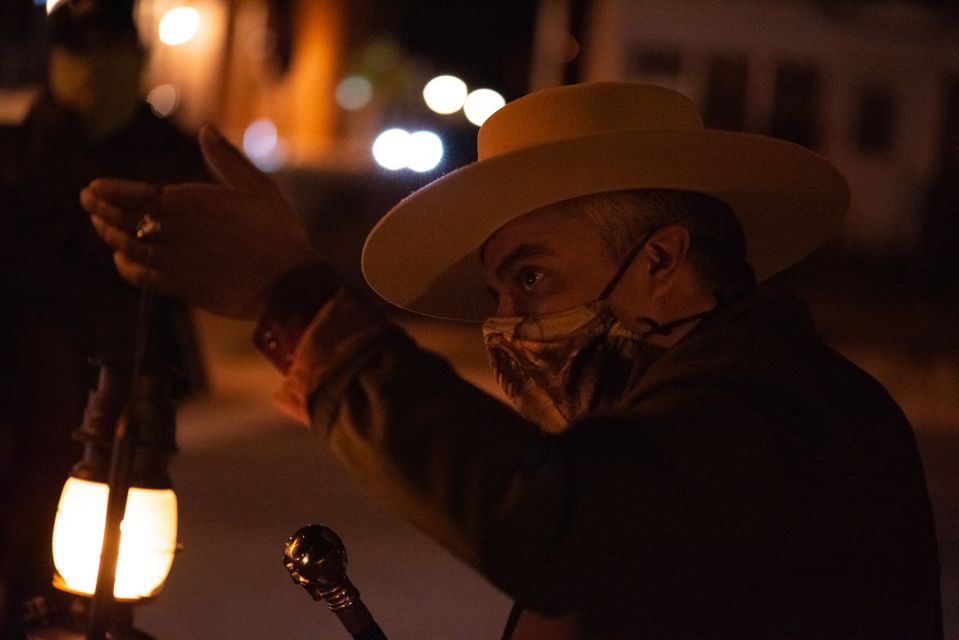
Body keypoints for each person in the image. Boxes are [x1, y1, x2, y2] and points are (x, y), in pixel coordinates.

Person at [80, 82, 942, 638]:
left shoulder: (777, 410)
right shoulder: (681, 413)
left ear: (660, 262)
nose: (506, 326)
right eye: (496, 293)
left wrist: (292, 304)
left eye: (530, 276)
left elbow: (549, 523)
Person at [0, 1, 206, 635]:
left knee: (104, 540)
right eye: (76, 50)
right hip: (18, 372)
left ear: (136, 58)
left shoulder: (172, 158)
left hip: (120, 373)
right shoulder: (16, 147)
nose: (91, 66)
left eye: (108, 49)